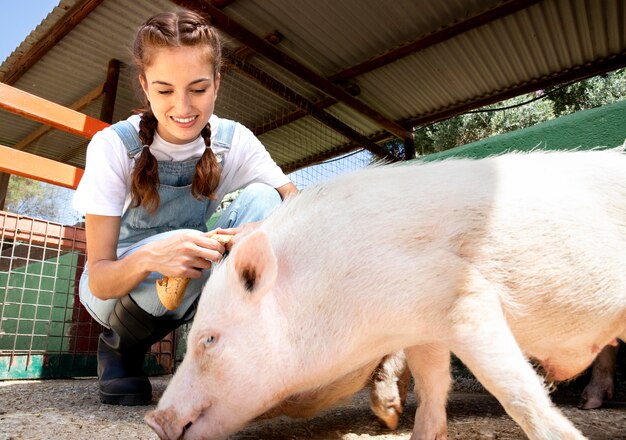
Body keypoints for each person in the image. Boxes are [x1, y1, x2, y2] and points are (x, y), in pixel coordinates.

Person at [72, 9, 298, 406]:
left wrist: (262, 230)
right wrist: (151, 256)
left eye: (198, 88)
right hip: (117, 291)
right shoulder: (113, 146)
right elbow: (100, 280)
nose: (183, 107)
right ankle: (120, 350)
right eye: (164, 90)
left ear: (217, 82)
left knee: (267, 203)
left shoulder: (234, 140)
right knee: (188, 243)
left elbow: (297, 205)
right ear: (144, 85)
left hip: (190, 277)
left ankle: (238, 356)